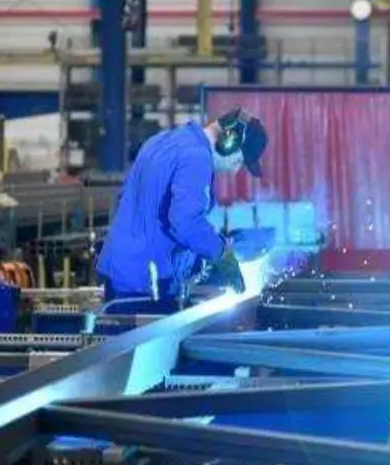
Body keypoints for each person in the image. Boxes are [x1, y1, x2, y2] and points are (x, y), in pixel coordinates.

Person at [96, 108, 268, 313]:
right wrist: (222, 254)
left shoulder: (164, 140)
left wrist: (196, 258)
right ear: (228, 142)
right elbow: (185, 222)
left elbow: (141, 206)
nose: (234, 170)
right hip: (145, 283)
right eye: (239, 161)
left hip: (121, 271)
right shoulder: (197, 158)